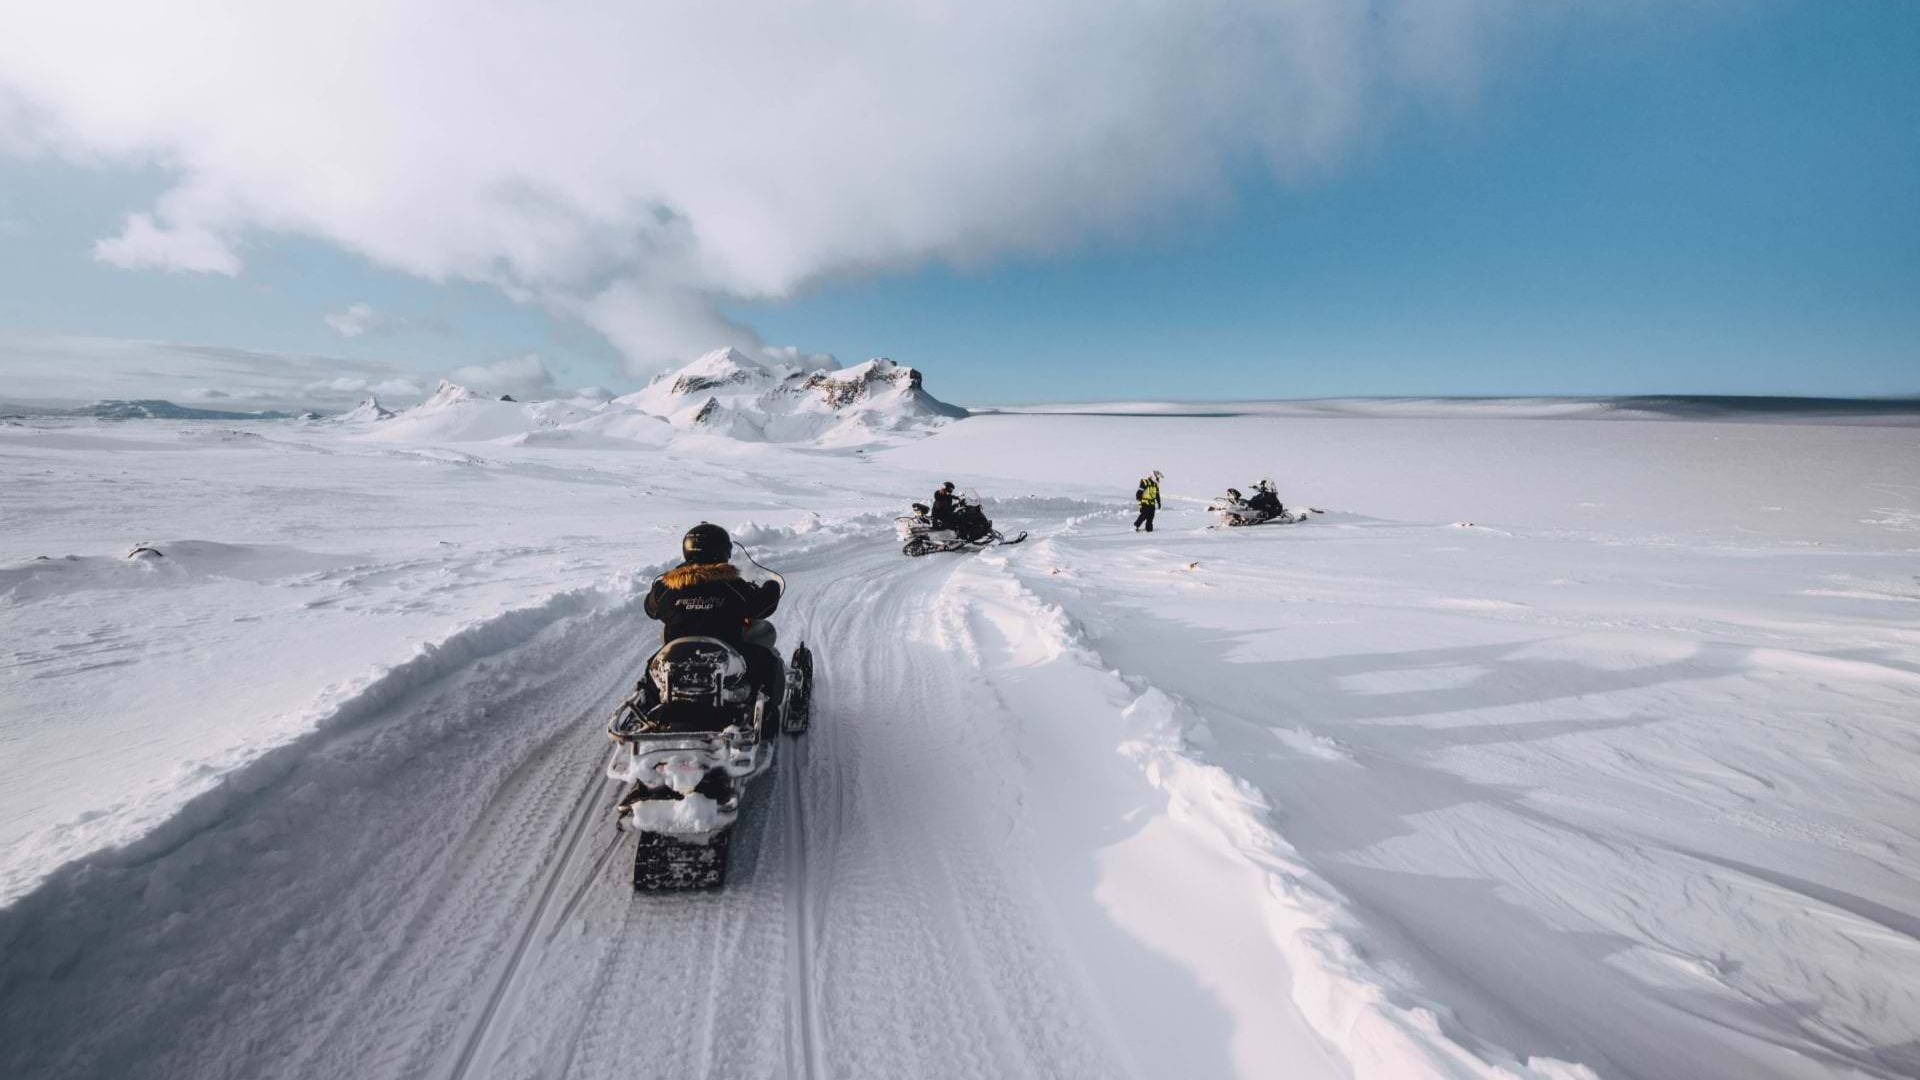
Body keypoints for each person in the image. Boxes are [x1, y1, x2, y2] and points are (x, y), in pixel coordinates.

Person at [645, 522, 783, 702]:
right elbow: (762, 606)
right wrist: (772, 587)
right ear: (722, 551)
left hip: (675, 659)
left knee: (650, 671)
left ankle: (648, 704)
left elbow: (650, 609)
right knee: (769, 661)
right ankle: (768, 710)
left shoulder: (665, 587)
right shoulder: (732, 585)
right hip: (726, 658)